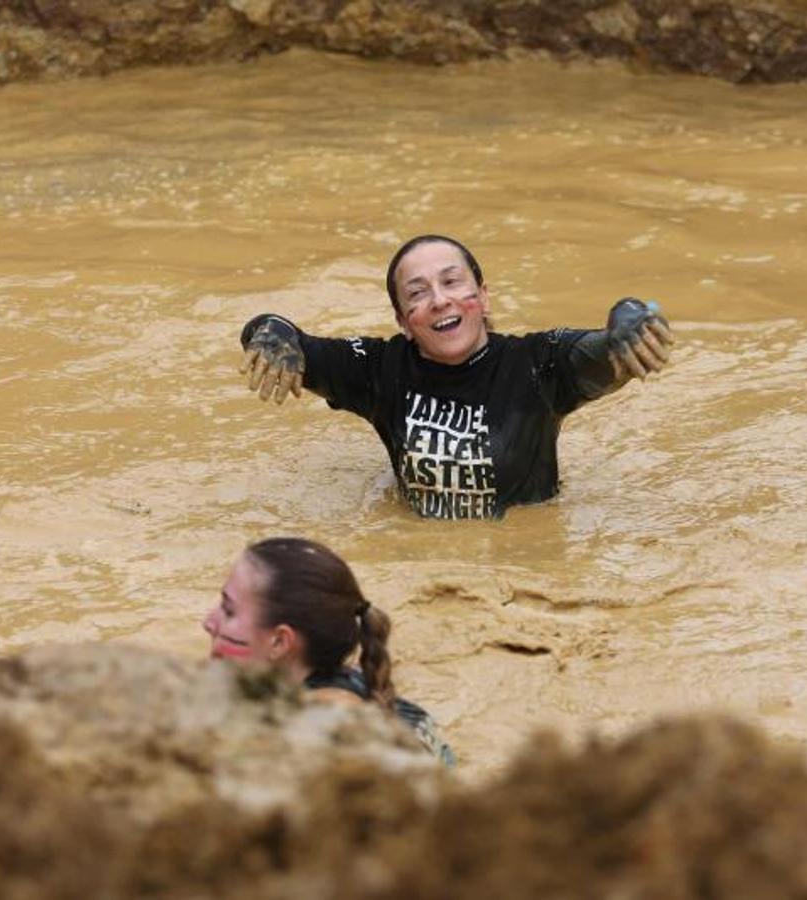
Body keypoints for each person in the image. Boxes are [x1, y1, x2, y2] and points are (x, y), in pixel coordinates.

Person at [238, 234, 673, 520]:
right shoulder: (379, 369)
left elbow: (607, 347)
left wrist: (629, 317)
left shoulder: (537, 363)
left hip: (526, 560)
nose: (440, 301)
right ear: (403, 321)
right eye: (417, 293)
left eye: (452, 282)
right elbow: (286, 337)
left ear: (482, 297)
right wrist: (269, 329)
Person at [202, 536, 455, 765]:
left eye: (229, 610)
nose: (208, 622)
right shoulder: (333, 692)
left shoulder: (319, 737)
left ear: (280, 642)